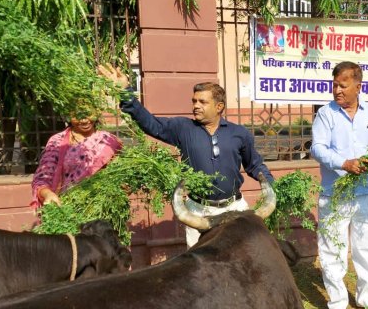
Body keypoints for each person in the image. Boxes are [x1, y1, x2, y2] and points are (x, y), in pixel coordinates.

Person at [99, 65, 274, 247]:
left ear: (219, 106)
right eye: (194, 101)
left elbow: (254, 165)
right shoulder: (182, 128)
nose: (195, 106)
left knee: (243, 256)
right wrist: (125, 93)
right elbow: (151, 124)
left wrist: (272, 185)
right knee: (202, 265)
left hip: (234, 208)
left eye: (202, 102)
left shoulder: (239, 133)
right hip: (197, 212)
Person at [311, 61, 368, 309]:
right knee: (333, 250)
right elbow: (317, 148)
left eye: (342, 86)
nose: (337, 91)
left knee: (364, 248)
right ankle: (338, 306)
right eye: (334, 85)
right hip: (335, 195)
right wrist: (344, 164)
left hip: (365, 193)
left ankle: (366, 299)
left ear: (358, 86)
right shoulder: (326, 114)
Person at [31, 106, 122, 207]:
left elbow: (120, 173)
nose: (84, 120)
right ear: (69, 115)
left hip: (103, 206)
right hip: (67, 207)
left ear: (96, 112)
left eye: (88, 114)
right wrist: (48, 194)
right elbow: (43, 177)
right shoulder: (58, 141)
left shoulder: (108, 141)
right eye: (78, 115)